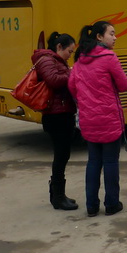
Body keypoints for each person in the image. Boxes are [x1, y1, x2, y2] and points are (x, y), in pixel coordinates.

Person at [68, 20, 127, 217]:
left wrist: (86, 100)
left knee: (93, 162)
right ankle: (112, 204)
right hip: (109, 118)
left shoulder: (79, 61)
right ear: (99, 37)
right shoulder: (109, 58)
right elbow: (124, 85)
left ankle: (92, 206)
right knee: (111, 162)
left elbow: (71, 86)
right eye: (111, 33)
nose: (115, 37)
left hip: (88, 120)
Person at [33, 32, 79, 211]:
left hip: (62, 113)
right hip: (55, 115)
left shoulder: (55, 60)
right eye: (69, 51)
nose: (70, 55)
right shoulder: (46, 59)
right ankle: (57, 196)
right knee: (61, 155)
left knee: (63, 154)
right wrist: (72, 74)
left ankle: (59, 194)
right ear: (59, 47)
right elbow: (53, 80)